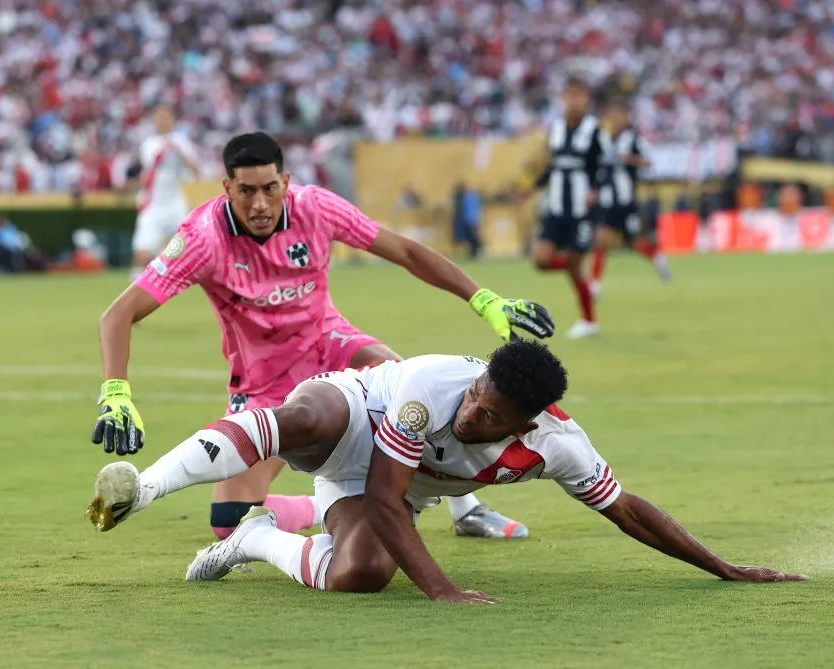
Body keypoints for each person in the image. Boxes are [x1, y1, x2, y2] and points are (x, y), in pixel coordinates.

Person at [92, 131, 555, 542]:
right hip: (264, 380)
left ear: (286, 183)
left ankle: (468, 508)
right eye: (246, 191)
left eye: (270, 189)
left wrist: (484, 300)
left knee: (413, 389)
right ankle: (331, 507)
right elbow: (119, 314)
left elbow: (407, 252)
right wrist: (116, 393)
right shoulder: (203, 238)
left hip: (333, 346)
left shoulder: (315, 208)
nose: (259, 204)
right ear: (227, 188)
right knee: (228, 521)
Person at [86, 340, 806, 603]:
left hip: (391, 484)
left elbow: (629, 511)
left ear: (528, 424)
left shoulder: (559, 446)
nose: (472, 415)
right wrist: (443, 589)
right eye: (476, 396)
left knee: (359, 577)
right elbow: (383, 493)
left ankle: (253, 536)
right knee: (303, 417)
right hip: (355, 423)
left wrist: (726, 569)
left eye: (491, 417)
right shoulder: (429, 385)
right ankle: (145, 485)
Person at [523, 76, 610, 339]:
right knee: (541, 260)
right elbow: (554, 166)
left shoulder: (595, 131)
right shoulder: (557, 128)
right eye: (569, 95)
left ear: (586, 100)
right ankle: (582, 278)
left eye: (579, 96)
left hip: (582, 210)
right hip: (557, 208)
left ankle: (589, 320)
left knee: (574, 265)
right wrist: (534, 187)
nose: (573, 101)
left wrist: (596, 188)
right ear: (563, 98)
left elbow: (607, 165)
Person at [590, 98, 670, 296]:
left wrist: (631, 159)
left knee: (634, 243)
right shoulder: (602, 140)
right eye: (612, 115)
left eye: (619, 115)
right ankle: (595, 283)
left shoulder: (633, 140)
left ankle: (656, 257)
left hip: (626, 202)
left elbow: (648, 163)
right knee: (601, 240)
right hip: (607, 201)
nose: (615, 119)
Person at [128, 105, 201, 281]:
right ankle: (136, 296)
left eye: (166, 117)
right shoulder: (148, 144)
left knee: (191, 251)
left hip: (175, 204)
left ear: (173, 120)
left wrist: (178, 151)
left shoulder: (181, 142)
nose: (162, 121)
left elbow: (196, 170)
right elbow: (147, 173)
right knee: (141, 254)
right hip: (153, 205)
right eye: (159, 117)